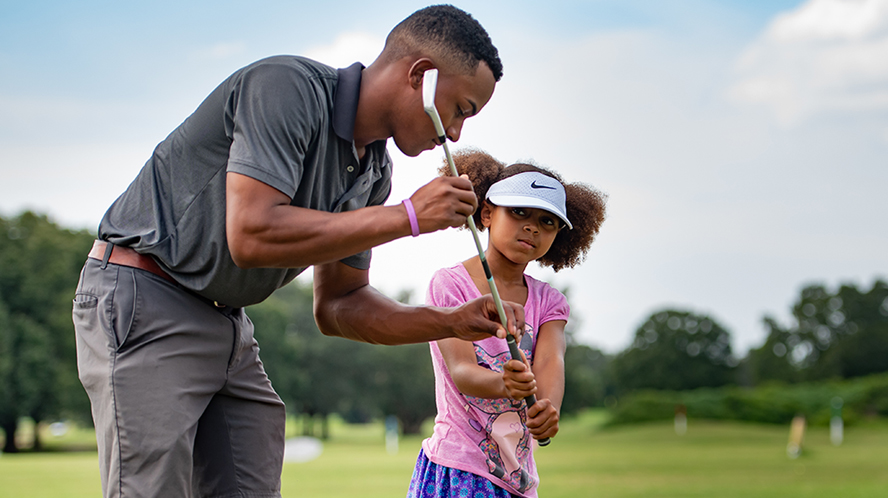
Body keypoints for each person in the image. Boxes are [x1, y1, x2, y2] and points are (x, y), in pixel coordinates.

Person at [71, 6, 523, 498]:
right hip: (147, 296)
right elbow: (252, 234)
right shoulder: (286, 88)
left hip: (227, 322)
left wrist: (450, 321)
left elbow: (339, 307)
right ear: (420, 76)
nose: (455, 134)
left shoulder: (374, 173)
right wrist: (408, 218)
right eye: (460, 109)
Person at [407, 149, 607, 498]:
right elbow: (462, 372)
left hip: (518, 478)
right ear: (486, 213)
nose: (531, 225)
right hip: (459, 467)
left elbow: (549, 361)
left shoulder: (550, 302)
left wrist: (548, 408)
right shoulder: (450, 285)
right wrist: (506, 383)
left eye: (548, 221)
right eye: (518, 212)